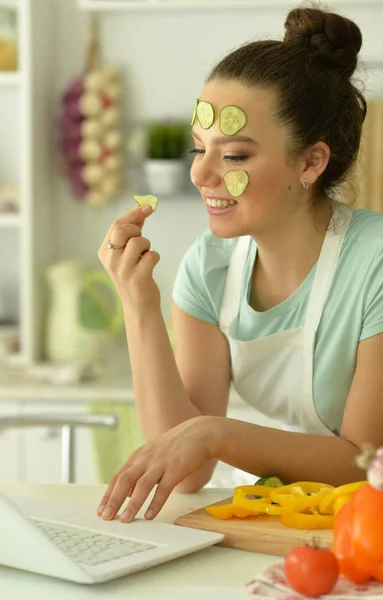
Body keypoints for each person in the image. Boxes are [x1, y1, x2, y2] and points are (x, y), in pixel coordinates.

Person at [96, 5, 383, 524]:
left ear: (310, 163)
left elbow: (366, 462)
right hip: (288, 522)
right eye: (199, 148)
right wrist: (139, 306)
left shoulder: (375, 265)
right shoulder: (209, 268)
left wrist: (215, 433)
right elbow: (186, 474)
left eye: (235, 157)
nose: (201, 174)